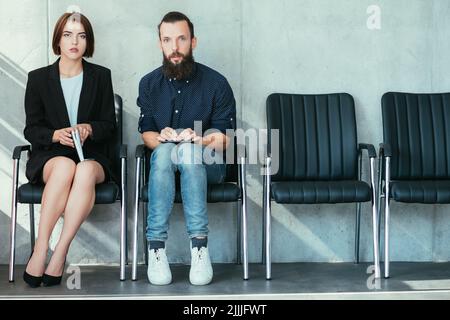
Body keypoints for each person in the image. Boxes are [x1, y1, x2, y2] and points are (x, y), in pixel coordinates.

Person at [137, 11, 236, 285]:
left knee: (190, 150)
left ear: (193, 41)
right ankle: (157, 250)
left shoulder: (216, 83)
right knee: (168, 150)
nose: (174, 47)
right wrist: (164, 137)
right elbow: (146, 134)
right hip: (163, 166)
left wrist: (199, 139)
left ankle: (199, 248)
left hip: (207, 164)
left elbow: (223, 138)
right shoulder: (148, 84)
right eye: (167, 40)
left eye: (181, 39)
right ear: (160, 44)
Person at [23, 12, 117, 287]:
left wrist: (90, 128)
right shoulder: (38, 78)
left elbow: (108, 125)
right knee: (65, 166)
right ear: (58, 40)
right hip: (51, 155)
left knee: (84, 170)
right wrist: (54, 134)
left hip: (91, 155)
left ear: (88, 41)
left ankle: (60, 251)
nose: (74, 41)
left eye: (81, 35)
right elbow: (31, 129)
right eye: (67, 34)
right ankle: (41, 250)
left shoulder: (101, 76)